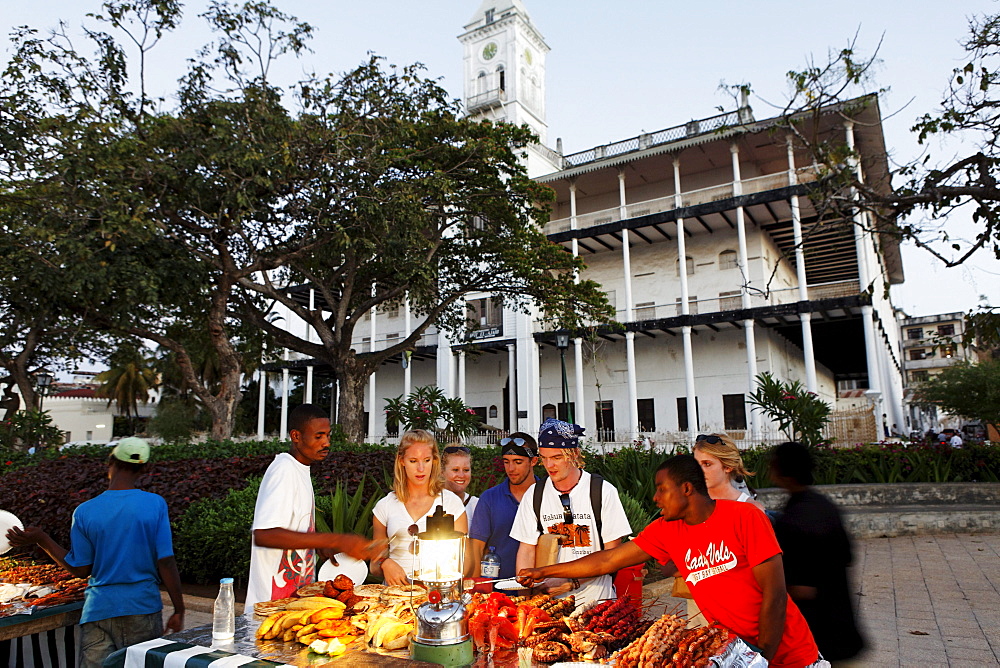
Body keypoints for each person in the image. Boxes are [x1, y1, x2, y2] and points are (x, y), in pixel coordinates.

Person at [516, 455, 823, 668]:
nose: (655, 497)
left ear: (686, 489)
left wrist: (763, 657)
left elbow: (775, 593)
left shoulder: (745, 517)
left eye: (662, 489)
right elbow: (607, 560)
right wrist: (543, 571)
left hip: (789, 654)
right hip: (736, 652)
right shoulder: (667, 530)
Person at [6, 437, 185, 668]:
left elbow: (80, 569)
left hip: (98, 611)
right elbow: (166, 562)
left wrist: (42, 539)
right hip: (141, 608)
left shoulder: (85, 512)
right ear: (145, 469)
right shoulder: (154, 504)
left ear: (111, 462)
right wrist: (179, 609)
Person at [246, 404, 383, 612]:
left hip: (294, 603)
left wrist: (317, 545)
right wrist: (335, 539)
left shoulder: (300, 470)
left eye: (328, 436)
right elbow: (264, 535)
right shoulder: (284, 470)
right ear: (296, 436)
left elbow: (291, 525)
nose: (326, 443)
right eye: (318, 436)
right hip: (271, 607)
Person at [509, 418, 631, 607]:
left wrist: (571, 582)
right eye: (544, 457)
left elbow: (612, 555)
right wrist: (525, 599)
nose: (549, 465)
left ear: (574, 454)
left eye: (556, 457)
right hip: (550, 605)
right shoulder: (534, 495)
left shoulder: (602, 491)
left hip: (598, 603)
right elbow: (526, 549)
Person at [770, 441, 865, 662]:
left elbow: (800, 588)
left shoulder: (794, 519)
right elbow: (848, 556)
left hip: (819, 634)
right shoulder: (823, 505)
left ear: (781, 471)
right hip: (842, 623)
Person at [372, 429, 468, 585]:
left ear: (434, 460)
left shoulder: (452, 504)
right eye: (413, 461)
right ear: (401, 460)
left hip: (437, 595)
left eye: (427, 460)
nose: (421, 468)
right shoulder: (385, 506)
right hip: (395, 598)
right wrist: (385, 563)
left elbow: (465, 562)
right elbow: (374, 566)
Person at [466, 432, 540, 579]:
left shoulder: (547, 496)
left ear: (533, 461)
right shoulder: (489, 498)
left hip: (540, 588)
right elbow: (476, 548)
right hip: (497, 591)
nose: (511, 469)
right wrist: (476, 588)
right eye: (506, 461)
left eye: (518, 462)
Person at [693, 433, 765, 510]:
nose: (699, 470)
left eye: (707, 464)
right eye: (696, 463)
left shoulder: (752, 509)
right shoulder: (688, 507)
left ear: (728, 467)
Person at [442, 444, 479, 526]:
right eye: (455, 470)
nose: (461, 475)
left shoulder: (477, 506)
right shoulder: (431, 502)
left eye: (466, 470)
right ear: (442, 471)